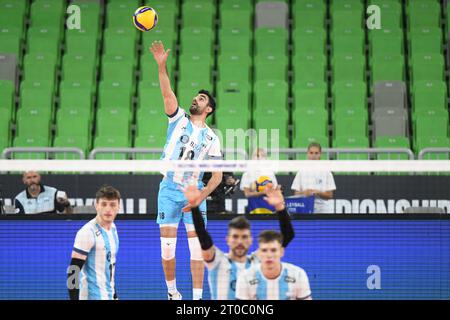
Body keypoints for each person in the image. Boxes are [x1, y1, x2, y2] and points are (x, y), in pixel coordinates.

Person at [150, 40, 223, 300]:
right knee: (167, 248)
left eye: (201, 98)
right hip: (169, 189)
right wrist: (161, 66)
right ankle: (172, 293)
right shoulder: (178, 119)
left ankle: (196, 300)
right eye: (196, 96)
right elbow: (167, 93)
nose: (196, 99)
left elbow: (217, 176)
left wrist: (200, 198)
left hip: (194, 193)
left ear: (209, 109)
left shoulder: (213, 138)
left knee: (196, 249)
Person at [184, 184, 294, 300]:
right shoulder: (217, 261)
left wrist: (280, 207)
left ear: (251, 240)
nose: (240, 241)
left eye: (244, 237)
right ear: (227, 240)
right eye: (235, 237)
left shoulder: (258, 260)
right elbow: (203, 237)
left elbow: (288, 235)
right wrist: (195, 207)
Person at [66, 186, 121, 300]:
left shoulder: (113, 229)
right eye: (104, 204)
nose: (108, 209)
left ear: (118, 207)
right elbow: (73, 271)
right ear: (96, 205)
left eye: (112, 204)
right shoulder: (87, 232)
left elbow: (109, 267)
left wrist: (115, 295)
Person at [235, 230, 312, 300]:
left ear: (281, 252)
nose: (269, 255)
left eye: (273, 250)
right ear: (259, 253)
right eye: (264, 250)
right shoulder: (245, 277)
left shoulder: (298, 274)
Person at [291, 142, 336, 213]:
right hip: (305, 208)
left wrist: (317, 193)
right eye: (311, 153)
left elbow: (330, 195)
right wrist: (305, 193)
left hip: (323, 209)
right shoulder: (301, 171)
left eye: (316, 153)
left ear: (320, 154)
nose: (313, 156)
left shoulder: (327, 171)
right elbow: (296, 194)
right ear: (307, 154)